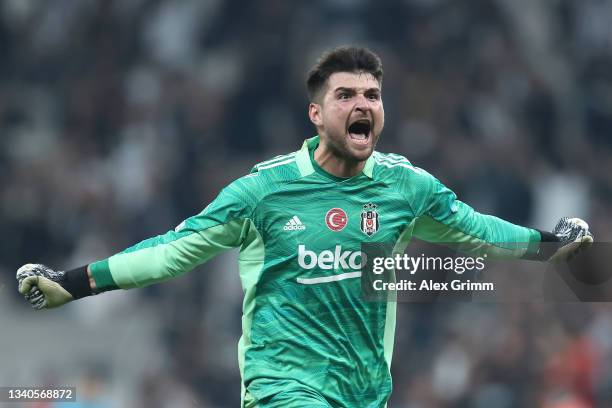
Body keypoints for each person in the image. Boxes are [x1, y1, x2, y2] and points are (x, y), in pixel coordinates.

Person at [17, 46, 593, 408]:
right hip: (281, 385)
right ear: (316, 115)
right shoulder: (263, 191)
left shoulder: (405, 187)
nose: (362, 103)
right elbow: (174, 251)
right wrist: (75, 281)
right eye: (345, 95)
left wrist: (552, 246)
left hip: (365, 391)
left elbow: (477, 232)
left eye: (372, 95)